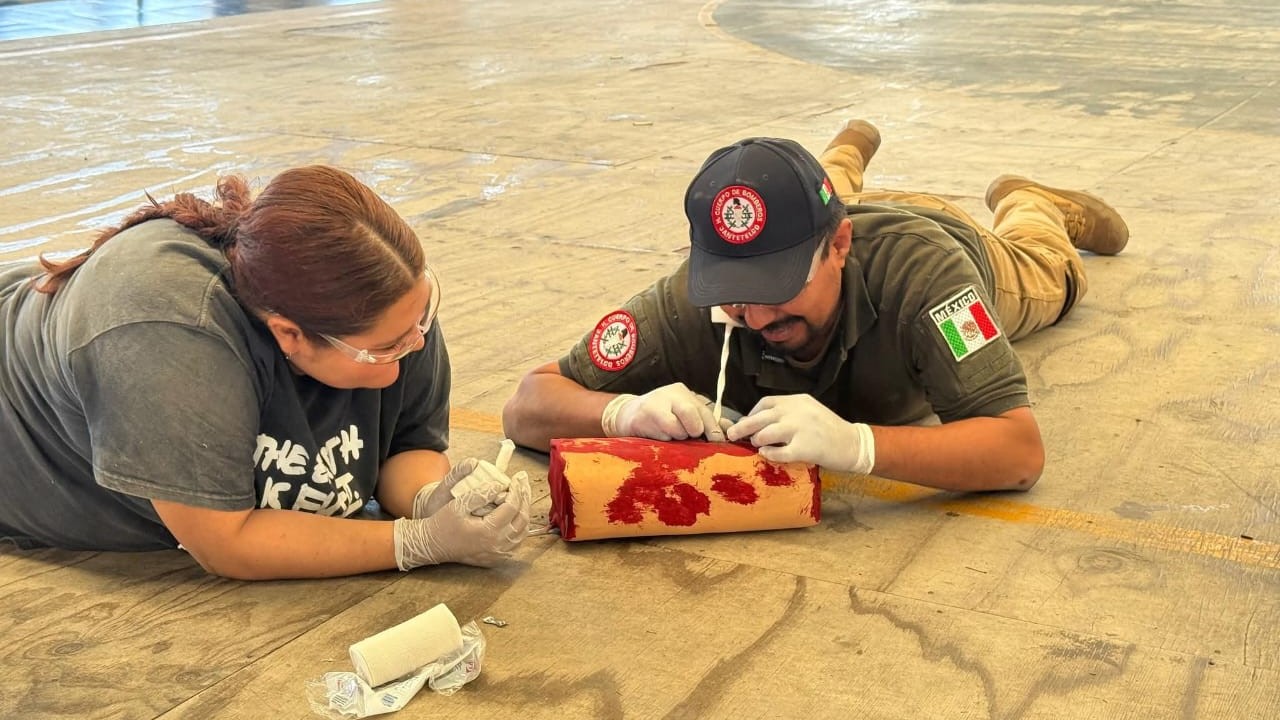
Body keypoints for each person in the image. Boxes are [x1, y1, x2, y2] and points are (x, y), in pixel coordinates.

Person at [502, 121, 1129, 492]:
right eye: (736, 293)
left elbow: (1018, 453)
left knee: (1052, 272)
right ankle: (845, 155)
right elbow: (527, 405)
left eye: (779, 286)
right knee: (811, 196)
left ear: (839, 246)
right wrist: (620, 413)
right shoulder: (695, 299)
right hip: (824, 213)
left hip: (962, 243)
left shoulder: (929, 281)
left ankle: (1034, 202)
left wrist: (860, 447)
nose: (759, 317)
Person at [0, 165, 531, 579]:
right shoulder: (166, 329)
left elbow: (407, 444)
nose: (413, 347)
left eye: (418, 326)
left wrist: (429, 500)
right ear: (288, 334)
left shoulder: (391, 303)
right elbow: (227, 542)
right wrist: (417, 542)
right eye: (388, 348)